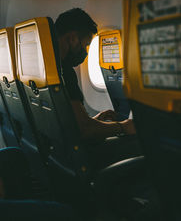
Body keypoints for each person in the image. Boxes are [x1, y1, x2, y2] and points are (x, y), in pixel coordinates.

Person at [54, 8, 136, 140]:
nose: (85, 52)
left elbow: (76, 124)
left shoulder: (52, 67)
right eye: (86, 45)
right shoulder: (64, 73)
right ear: (72, 38)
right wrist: (124, 126)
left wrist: (95, 120)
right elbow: (85, 130)